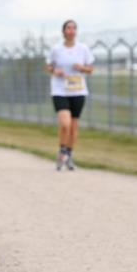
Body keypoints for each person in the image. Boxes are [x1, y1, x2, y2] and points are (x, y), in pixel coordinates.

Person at [45, 19, 94, 170]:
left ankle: (69, 156)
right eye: (68, 28)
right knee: (64, 124)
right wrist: (55, 71)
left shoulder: (83, 49)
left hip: (78, 91)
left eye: (74, 28)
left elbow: (90, 68)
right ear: (63, 31)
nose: (71, 31)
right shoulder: (56, 49)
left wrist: (82, 68)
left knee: (73, 127)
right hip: (60, 90)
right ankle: (62, 152)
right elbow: (48, 65)